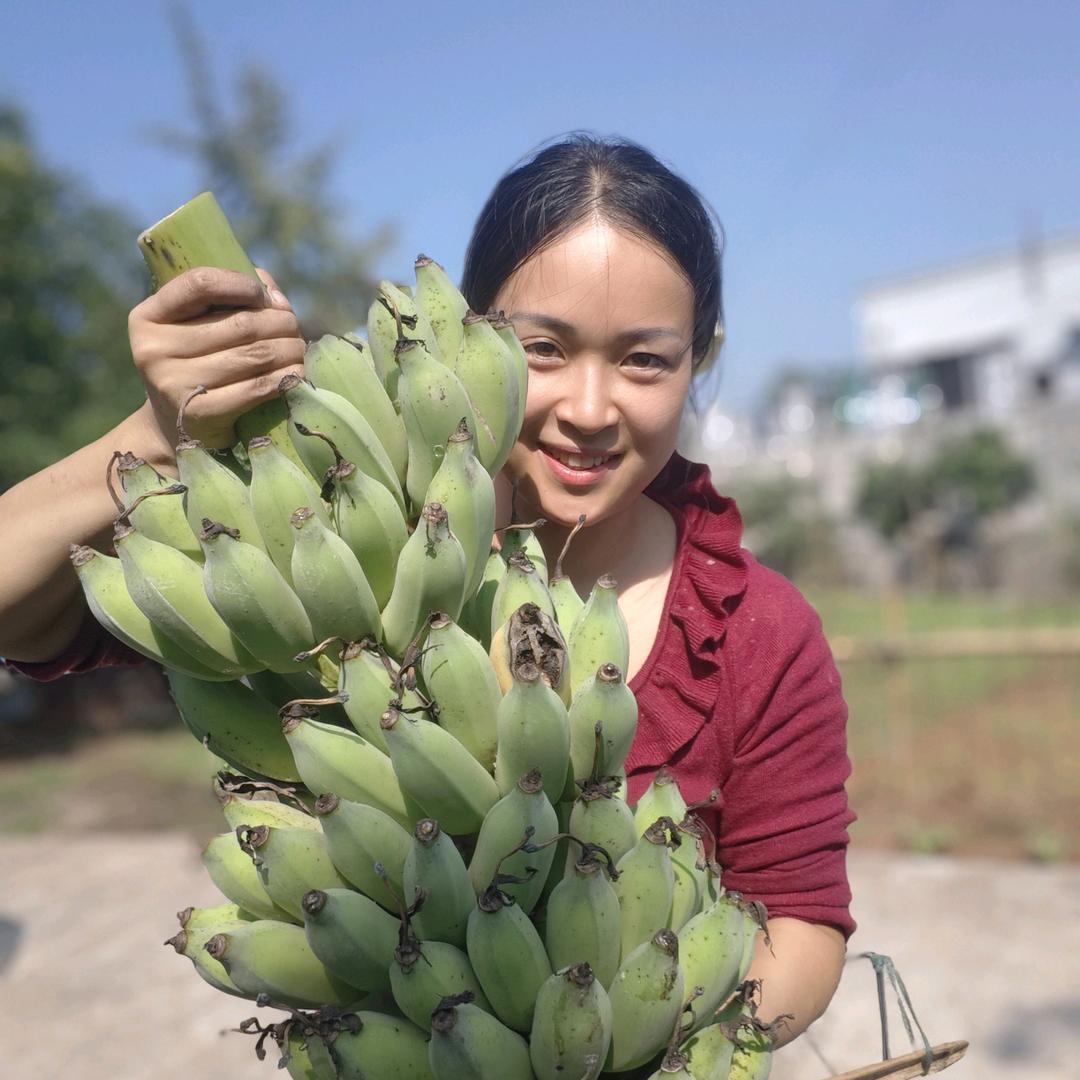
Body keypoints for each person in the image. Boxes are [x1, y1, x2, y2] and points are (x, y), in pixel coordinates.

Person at [0, 133, 854, 1048]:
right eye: (545, 348)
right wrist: (155, 431)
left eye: (645, 360)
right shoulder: (348, 548)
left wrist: (633, 1046)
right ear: (471, 341)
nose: (590, 409)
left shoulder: (756, 632)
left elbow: (801, 922)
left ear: (698, 360)